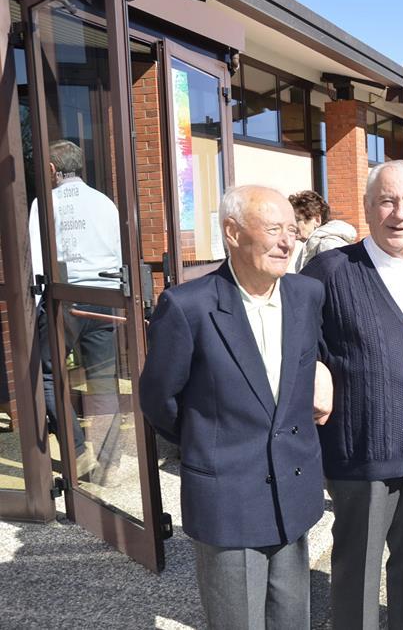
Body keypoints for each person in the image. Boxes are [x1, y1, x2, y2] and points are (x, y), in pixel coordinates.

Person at [139, 185, 332, 629]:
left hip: (293, 491)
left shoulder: (305, 295)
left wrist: (323, 376)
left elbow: (313, 360)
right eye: (273, 230)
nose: (288, 242)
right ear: (232, 232)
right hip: (228, 498)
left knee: (292, 621)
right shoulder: (188, 306)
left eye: (291, 230)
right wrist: (212, 444)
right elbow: (159, 400)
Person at [300, 161, 403, 629]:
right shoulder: (328, 270)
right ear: (366, 207)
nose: (399, 214)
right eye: (387, 201)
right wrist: (315, 370)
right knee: (356, 579)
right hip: (360, 453)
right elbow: (295, 344)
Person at [28, 139, 124, 479]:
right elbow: (119, 253)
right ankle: (110, 458)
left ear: (52, 169)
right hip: (105, 298)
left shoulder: (45, 204)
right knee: (102, 381)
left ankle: (80, 452)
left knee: (47, 378)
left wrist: (37, 311)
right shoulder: (105, 203)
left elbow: (37, 263)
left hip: (64, 301)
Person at [289, 189, 357, 271]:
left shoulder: (328, 245)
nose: (291, 226)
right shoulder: (313, 245)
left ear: (317, 220)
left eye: (296, 220)